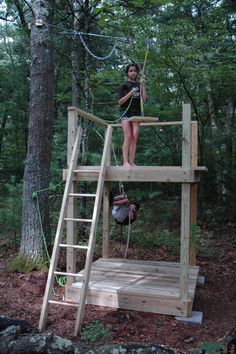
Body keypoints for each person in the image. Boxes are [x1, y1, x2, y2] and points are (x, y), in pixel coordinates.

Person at [118, 63, 147, 167]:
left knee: (134, 137)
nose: (133, 72)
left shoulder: (139, 85)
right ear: (127, 73)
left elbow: (144, 99)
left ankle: (131, 162)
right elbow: (120, 102)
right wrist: (130, 93)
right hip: (125, 113)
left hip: (136, 113)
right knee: (128, 136)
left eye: (135, 70)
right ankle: (125, 162)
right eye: (131, 71)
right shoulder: (124, 85)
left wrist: (143, 85)